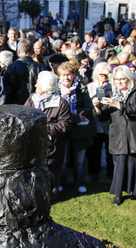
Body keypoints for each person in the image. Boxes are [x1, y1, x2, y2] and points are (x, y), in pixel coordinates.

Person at [99, 65, 136, 207]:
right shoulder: (112, 93)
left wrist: (118, 104)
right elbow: (104, 116)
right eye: (116, 79)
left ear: (129, 79)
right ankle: (119, 194)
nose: (119, 82)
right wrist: (97, 109)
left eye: (122, 79)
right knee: (120, 166)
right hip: (119, 137)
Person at [25, 71, 72, 200]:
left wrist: (44, 128)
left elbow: (65, 125)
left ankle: (52, 194)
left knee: (52, 171)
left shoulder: (61, 103)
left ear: (45, 86)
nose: (35, 85)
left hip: (52, 146)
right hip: (34, 145)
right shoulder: (32, 99)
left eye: (38, 82)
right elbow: (24, 117)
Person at [58, 61, 94, 194]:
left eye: (69, 74)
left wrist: (81, 114)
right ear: (59, 76)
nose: (67, 78)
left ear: (74, 75)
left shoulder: (81, 88)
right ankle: (61, 182)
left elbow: (88, 106)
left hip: (79, 128)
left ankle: (80, 183)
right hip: (63, 128)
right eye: (64, 75)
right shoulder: (56, 90)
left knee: (79, 158)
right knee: (63, 158)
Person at [88, 62, 113, 180]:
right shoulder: (90, 87)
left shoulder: (112, 87)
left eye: (106, 74)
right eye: (101, 74)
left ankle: (111, 172)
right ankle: (94, 172)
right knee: (95, 150)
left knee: (110, 149)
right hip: (95, 122)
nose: (103, 77)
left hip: (109, 122)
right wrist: (94, 105)